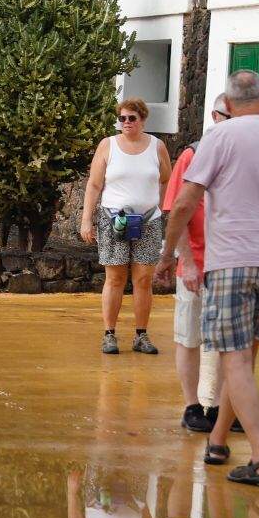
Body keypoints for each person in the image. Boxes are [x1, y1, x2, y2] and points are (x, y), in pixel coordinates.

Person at [156, 70, 259, 486]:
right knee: (244, 361)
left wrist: (167, 255)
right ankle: (217, 440)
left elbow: (184, 202)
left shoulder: (219, 137)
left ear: (227, 106)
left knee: (235, 360)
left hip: (232, 260)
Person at [79, 97, 171, 355]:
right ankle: (109, 334)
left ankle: (141, 335)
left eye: (132, 118)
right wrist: (87, 219)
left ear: (143, 120)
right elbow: (94, 184)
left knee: (143, 279)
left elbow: (166, 179)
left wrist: (160, 207)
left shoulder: (157, 146)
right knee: (116, 277)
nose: (127, 123)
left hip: (148, 221)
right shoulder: (108, 146)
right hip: (114, 220)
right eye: (123, 118)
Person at [165, 100, 228, 432]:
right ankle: (191, 405)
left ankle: (218, 407)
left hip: (231, 266)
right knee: (189, 337)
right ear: (215, 116)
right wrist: (186, 262)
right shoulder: (192, 155)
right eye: (226, 116)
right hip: (197, 264)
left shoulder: (244, 157)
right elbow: (177, 211)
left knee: (224, 341)